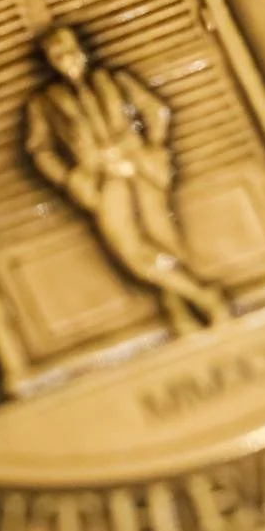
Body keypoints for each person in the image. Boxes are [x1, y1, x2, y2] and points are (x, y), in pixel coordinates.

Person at [23, 25, 230, 333]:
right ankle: (204, 297)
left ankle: (178, 313)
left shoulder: (115, 80)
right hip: (102, 179)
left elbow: (156, 110)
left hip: (139, 166)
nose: (66, 60)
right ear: (50, 61)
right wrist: (69, 178)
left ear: (81, 51)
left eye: (69, 51)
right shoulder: (45, 102)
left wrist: (153, 146)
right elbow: (40, 150)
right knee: (130, 249)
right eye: (57, 55)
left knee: (162, 238)